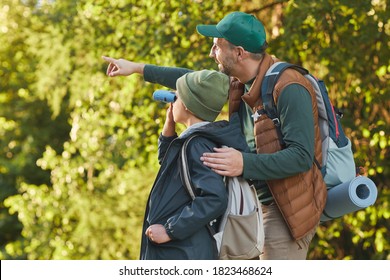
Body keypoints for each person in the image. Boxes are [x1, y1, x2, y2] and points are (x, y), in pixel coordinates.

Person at [102, 11, 327, 260]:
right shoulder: (238, 80)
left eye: (217, 46)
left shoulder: (289, 87)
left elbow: (301, 157)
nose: (211, 53)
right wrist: (137, 69)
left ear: (239, 52)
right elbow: (192, 83)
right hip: (247, 205)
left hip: (285, 211)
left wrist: (243, 163)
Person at [104, 68, 249, 259]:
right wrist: (168, 131)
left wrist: (170, 230)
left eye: (177, 96)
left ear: (188, 105)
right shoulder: (194, 141)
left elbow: (214, 198)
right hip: (180, 248)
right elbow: (170, 170)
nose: (173, 101)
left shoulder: (198, 144)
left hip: (183, 250)